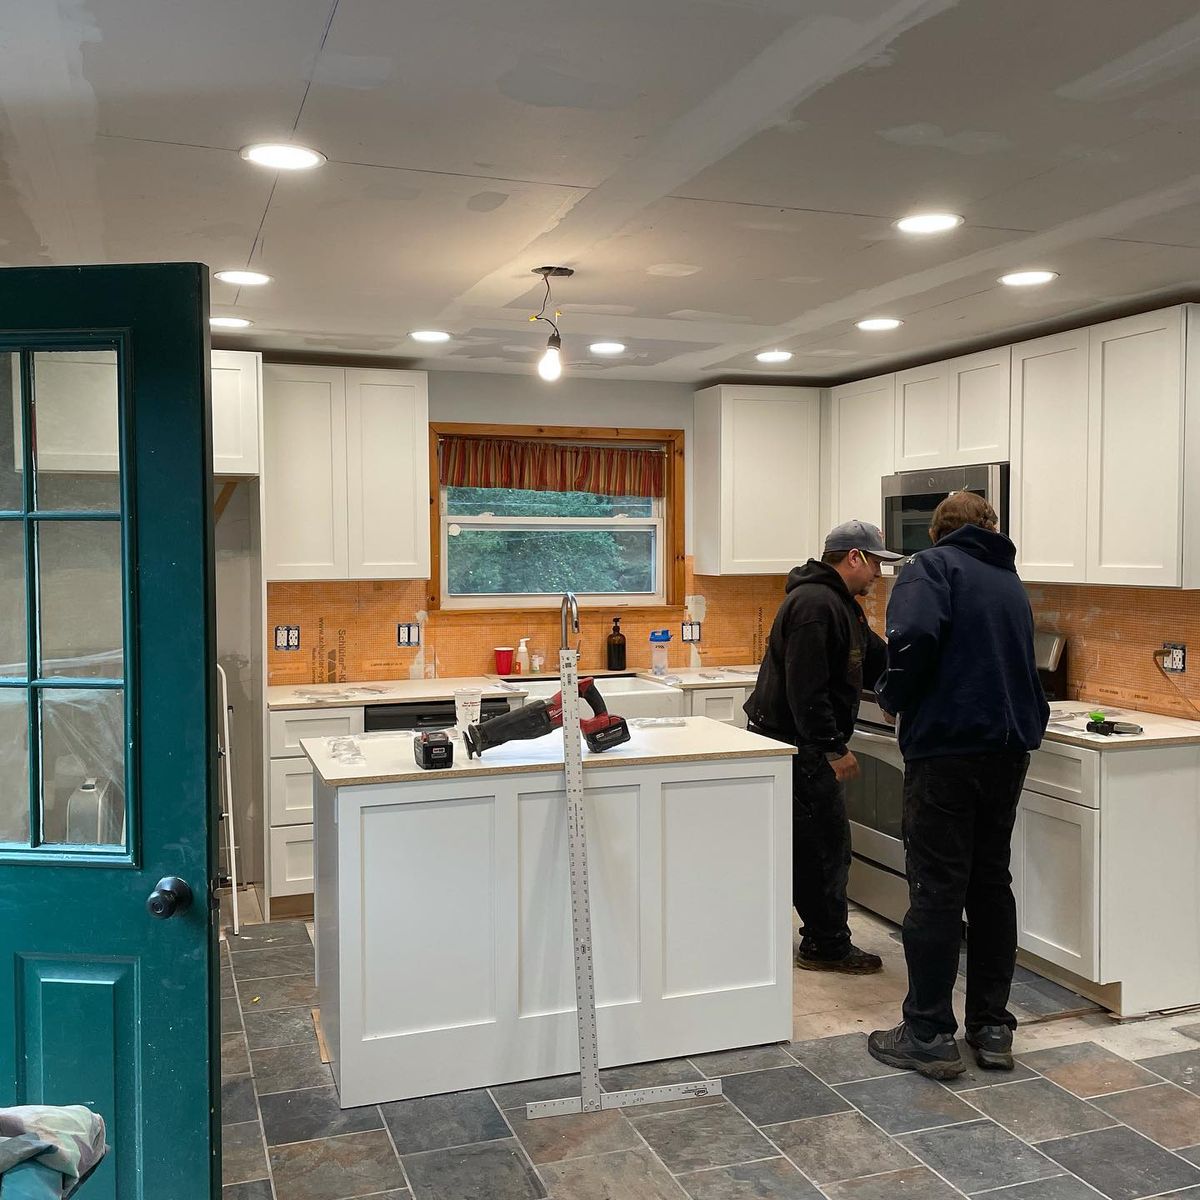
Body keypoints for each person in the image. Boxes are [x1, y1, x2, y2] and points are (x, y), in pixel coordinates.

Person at [868, 491, 1049, 1079]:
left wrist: (894, 696)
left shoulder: (931, 567)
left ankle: (928, 1031)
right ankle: (992, 1028)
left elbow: (913, 639)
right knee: (991, 883)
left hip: (948, 746)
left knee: (938, 887)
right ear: (990, 527)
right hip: (1007, 747)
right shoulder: (1008, 578)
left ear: (935, 531)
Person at [745, 520, 902, 973]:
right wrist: (834, 747)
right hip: (796, 745)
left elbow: (875, 658)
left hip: (802, 742)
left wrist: (899, 690)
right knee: (823, 848)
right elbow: (806, 690)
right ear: (853, 557)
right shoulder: (816, 605)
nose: (879, 574)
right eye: (875, 563)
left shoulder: (841, 605)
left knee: (817, 845)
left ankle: (823, 937)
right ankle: (825, 945)